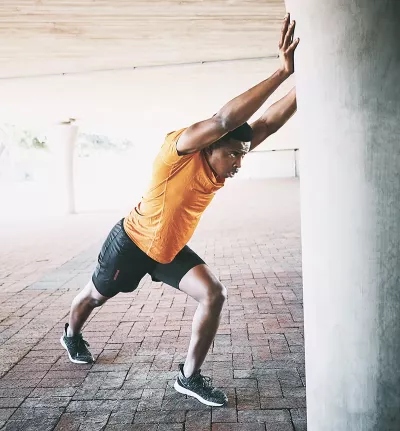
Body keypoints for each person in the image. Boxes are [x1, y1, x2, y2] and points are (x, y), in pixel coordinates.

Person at [61, 13, 299, 407]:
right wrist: (282, 72)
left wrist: (306, 83)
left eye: (242, 155)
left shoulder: (224, 157)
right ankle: (71, 332)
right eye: (234, 155)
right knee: (93, 297)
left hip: (168, 250)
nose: (239, 163)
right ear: (210, 145)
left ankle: (189, 376)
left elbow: (268, 125)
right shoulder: (178, 151)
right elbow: (224, 119)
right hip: (131, 243)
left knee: (213, 294)